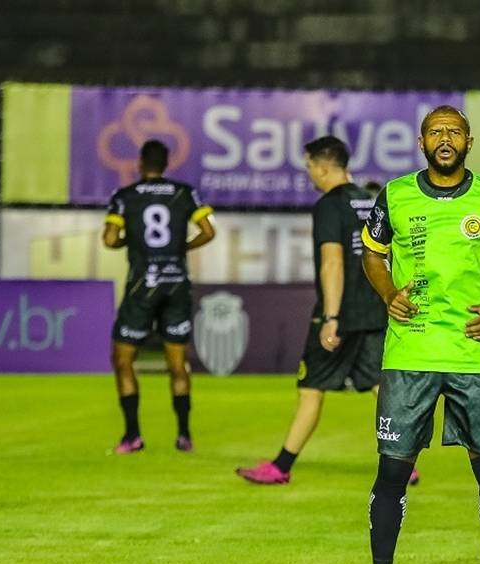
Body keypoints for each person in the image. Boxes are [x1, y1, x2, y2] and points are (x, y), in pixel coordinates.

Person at [358, 105, 480, 564]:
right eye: (436, 132)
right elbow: (372, 251)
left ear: (470, 142)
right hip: (410, 352)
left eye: (454, 131)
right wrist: (387, 291)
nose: (445, 139)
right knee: (392, 470)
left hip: (475, 356)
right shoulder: (395, 195)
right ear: (422, 142)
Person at [236, 136, 420, 485]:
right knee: (378, 387)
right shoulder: (370, 202)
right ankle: (404, 463)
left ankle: (281, 466)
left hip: (343, 313)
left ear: (322, 166)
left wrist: (331, 317)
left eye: (309, 167)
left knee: (310, 388)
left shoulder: (328, 206)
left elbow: (333, 262)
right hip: (375, 311)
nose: (309, 175)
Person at [103, 139, 215, 454]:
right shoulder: (184, 193)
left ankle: (132, 435)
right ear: (166, 164)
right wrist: (180, 249)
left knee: (123, 360)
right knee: (178, 364)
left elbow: (110, 239)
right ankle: (183, 435)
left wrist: (132, 240)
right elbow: (208, 231)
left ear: (140, 163)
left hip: (142, 286)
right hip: (176, 284)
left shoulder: (125, 197)